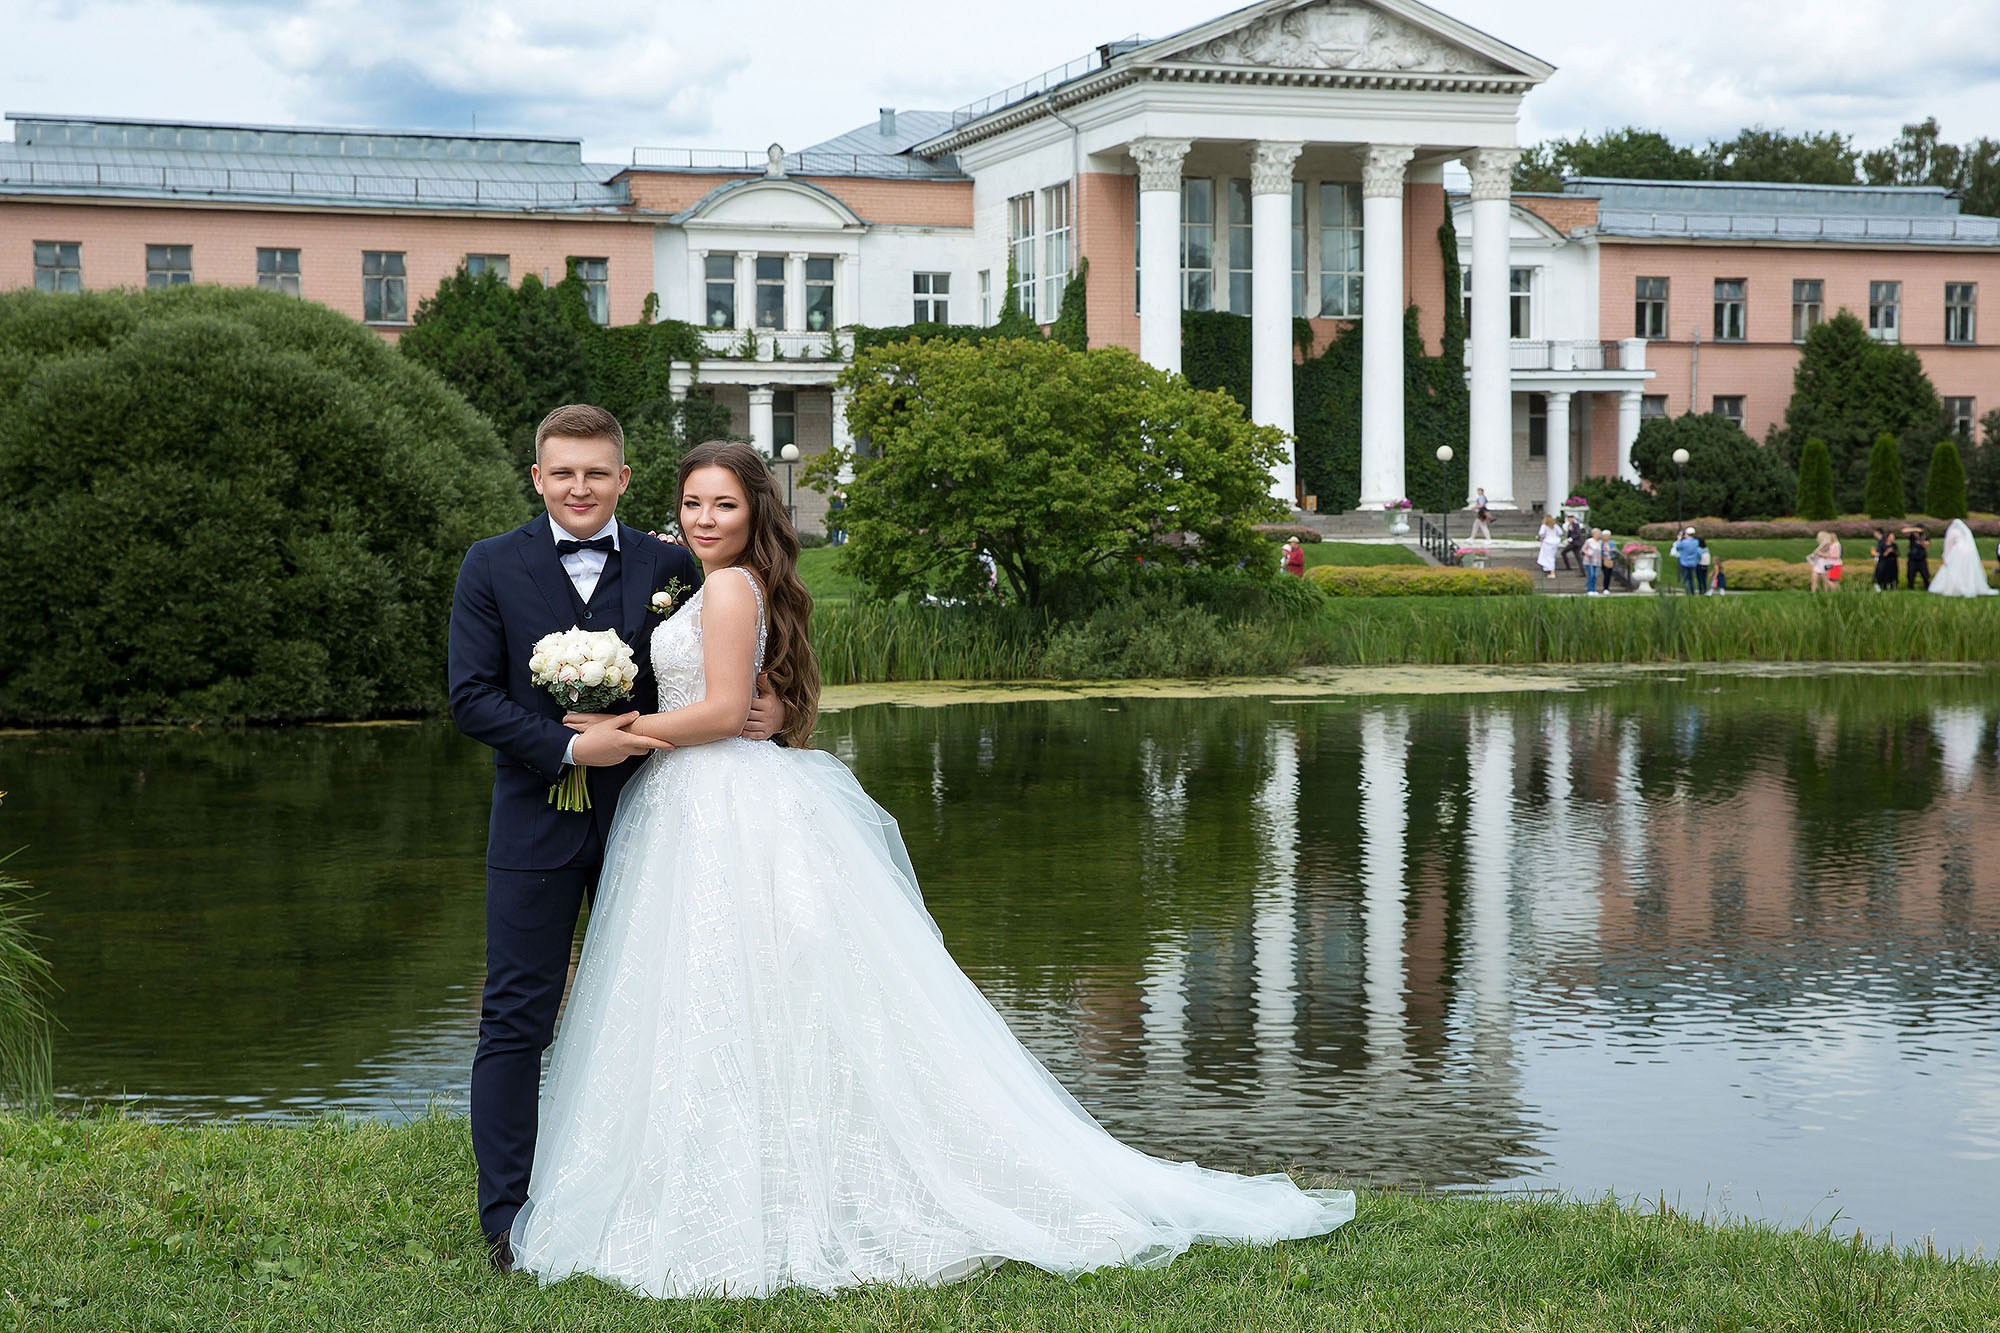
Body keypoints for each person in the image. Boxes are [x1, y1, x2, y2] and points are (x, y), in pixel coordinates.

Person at [509, 441, 1354, 1298]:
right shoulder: (723, 582)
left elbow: (726, 711)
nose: (704, 518)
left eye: (724, 503)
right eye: (693, 502)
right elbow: (734, 698)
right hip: (704, 795)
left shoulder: (729, 587)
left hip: (720, 796)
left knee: (727, 985)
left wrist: (619, 732)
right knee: (739, 987)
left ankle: (748, 1179)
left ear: (756, 509)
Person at [447, 407, 787, 1275]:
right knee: (515, 1019)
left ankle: (648, 1193)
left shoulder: (673, 564)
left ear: (624, 479)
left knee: (661, 1010)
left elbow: (738, 651)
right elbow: (471, 697)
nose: (580, 487)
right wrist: (568, 748)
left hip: (660, 823)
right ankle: (507, 1219)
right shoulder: (491, 564)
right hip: (534, 822)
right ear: (537, 477)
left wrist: (779, 701)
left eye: (597, 472)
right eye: (562, 472)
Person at [1928, 517, 1998, 596]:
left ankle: (1952, 588)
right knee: (1966, 570)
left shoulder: (1951, 531)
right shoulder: (1965, 532)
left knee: (1954, 569)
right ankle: (1968, 586)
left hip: (1958, 551)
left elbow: (1948, 545)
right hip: (1969, 552)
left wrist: (1945, 557)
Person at [1671, 527, 1701, 595]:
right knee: (1691, 578)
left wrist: (1679, 540)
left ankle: (1687, 592)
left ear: (1687, 534)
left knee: (1686, 578)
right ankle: (1692, 592)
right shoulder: (1696, 542)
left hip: (1684, 562)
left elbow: (1678, 548)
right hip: (1693, 562)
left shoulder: (1684, 542)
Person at [1903, 525, 1931, 590]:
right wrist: (1915, 529)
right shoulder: (1912, 536)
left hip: (1921, 560)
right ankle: (1910, 588)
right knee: (1910, 576)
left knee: (1925, 576)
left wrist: (1921, 538)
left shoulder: (1925, 537)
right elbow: (1903, 531)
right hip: (1912, 560)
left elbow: (1925, 545)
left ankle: (1927, 588)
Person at [1535, 513, 1560, 580]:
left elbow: (1541, 533)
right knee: (1551, 557)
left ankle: (1552, 572)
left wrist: (1541, 537)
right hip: (1555, 542)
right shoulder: (1555, 526)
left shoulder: (1544, 526)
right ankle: (1548, 568)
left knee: (1548, 557)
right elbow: (1560, 532)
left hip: (1547, 543)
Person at [1581, 528, 1601, 595]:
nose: (1598, 535)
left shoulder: (1599, 542)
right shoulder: (1589, 541)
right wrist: (1587, 553)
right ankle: (1590, 589)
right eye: (1597, 534)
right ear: (1593, 534)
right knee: (1591, 575)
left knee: (1595, 576)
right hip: (1589, 561)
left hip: (1597, 561)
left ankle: (1594, 589)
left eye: (1599, 534)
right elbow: (1583, 549)